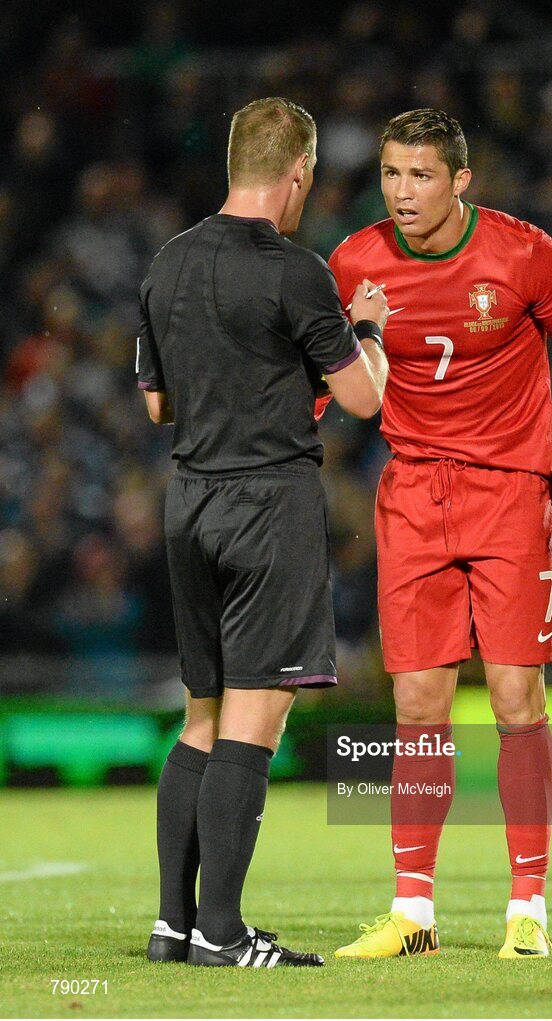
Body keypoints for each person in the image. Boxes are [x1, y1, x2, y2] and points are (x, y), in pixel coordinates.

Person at [327, 109, 552, 959]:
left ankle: (527, 906)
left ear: (461, 180)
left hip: (508, 494)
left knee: (514, 702)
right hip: (414, 493)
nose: (402, 193)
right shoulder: (355, 261)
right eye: (390, 174)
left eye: (420, 176)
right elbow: (336, 374)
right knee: (417, 705)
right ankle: (413, 913)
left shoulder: (523, 253)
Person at [137, 97, 388, 968]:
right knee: (255, 723)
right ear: (297, 174)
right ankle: (223, 933)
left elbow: (157, 402)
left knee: (200, 720)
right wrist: (366, 329)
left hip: (189, 502)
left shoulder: (166, 265)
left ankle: (175, 925)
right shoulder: (295, 271)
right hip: (268, 507)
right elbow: (363, 399)